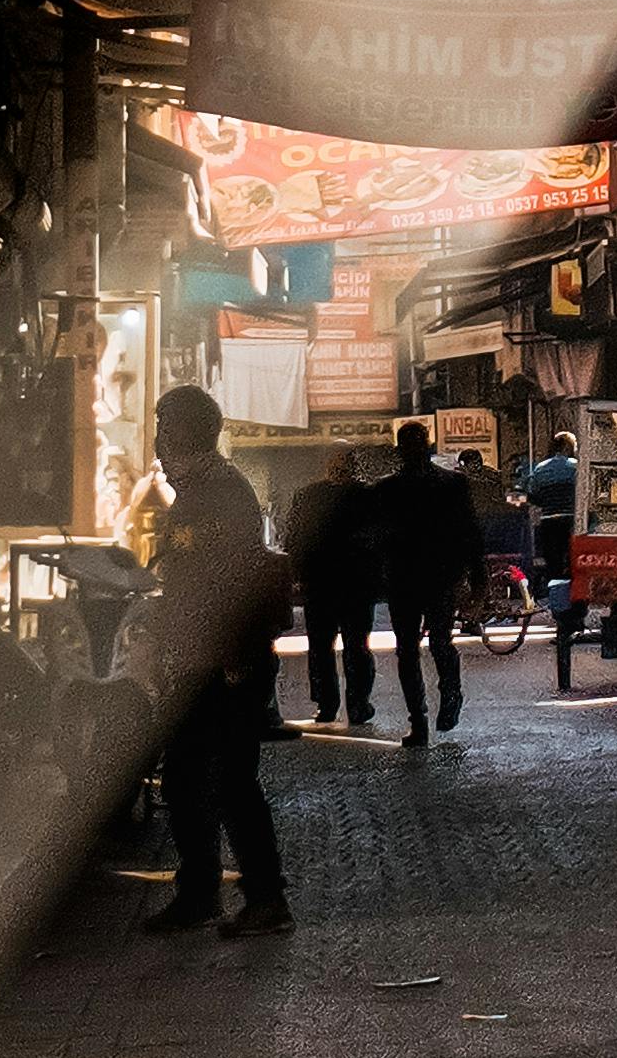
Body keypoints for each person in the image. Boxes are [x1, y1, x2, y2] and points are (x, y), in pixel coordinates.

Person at [144, 383, 294, 936]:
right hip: (199, 660)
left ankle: (265, 899)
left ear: (186, 431)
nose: (157, 439)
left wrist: (231, 659)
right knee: (187, 779)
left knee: (231, 781)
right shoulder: (196, 490)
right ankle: (202, 892)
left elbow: (231, 581)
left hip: (224, 666)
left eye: (164, 426)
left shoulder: (220, 492)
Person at [367, 420, 482, 746]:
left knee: (411, 650)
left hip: (410, 578)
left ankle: (420, 720)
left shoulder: (386, 489)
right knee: (436, 643)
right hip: (434, 577)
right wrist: (477, 580)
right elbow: (470, 534)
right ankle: (445, 698)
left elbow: (377, 539)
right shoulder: (451, 484)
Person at [285, 448, 378, 728]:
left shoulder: (307, 496)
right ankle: (358, 704)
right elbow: (378, 538)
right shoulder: (367, 496)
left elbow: (294, 539)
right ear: (354, 467)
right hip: (355, 583)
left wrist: (297, 575)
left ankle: (326, 705)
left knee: (320, 647)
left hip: (320, 583)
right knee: (356, 646)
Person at [512, 430, 582, 691]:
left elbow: (530, 496)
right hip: (573, 524)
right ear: (568, 447)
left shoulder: (540, 470)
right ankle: (577, 613)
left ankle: (560, 615)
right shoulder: (576, 468)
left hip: (549, 525)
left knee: (554, 571)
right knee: (576, 568)